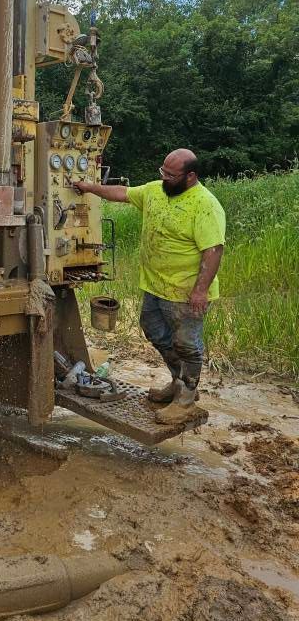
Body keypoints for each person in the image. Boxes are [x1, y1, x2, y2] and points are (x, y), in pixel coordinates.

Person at [74, 149, 225, 425]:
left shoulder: (205, 205)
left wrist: (200, 290)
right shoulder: (155, 191)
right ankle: (179, 383)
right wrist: (89, 187)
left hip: (185, 292)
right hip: (155, 286)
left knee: (187, 344)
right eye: (163, 172)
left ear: (190, 176)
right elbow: (123, 193)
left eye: (171, 175)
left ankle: (186, 402)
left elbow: (213, 250)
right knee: (153, 329)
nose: (165, 178)